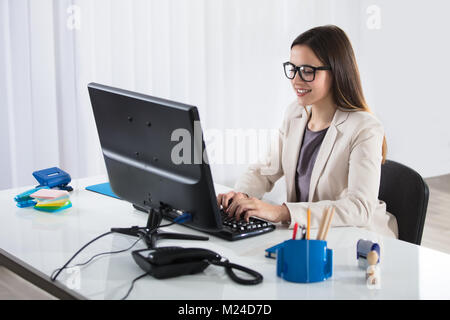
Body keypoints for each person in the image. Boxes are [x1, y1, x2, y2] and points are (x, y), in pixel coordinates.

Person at [216, 25, 398, 238]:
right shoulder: (296, 113)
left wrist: (281, 212)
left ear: (336, 71)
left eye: (307, 71)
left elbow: (359, 208)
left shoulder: (364, 127)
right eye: (293, 68)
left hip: (354, 239)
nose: (295, 80)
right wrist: (240, 196)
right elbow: (264, 169)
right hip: (306, 236)